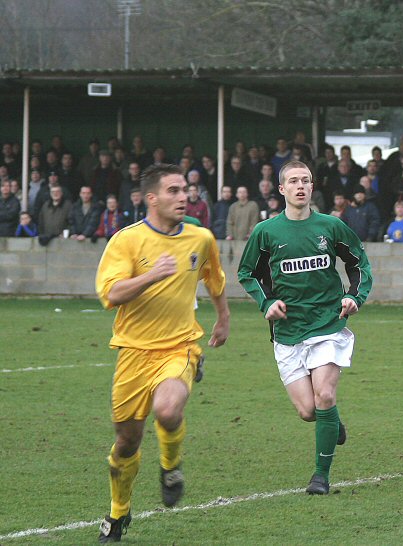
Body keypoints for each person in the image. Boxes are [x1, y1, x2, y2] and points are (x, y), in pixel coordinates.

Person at [94, 163, 230, 543]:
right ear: (151, 198)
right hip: (134, 353)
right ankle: (118, 514)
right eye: (173, 190)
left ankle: (171, 465)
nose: (183, 196)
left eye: (184, 189)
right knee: (126, 442)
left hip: (180, 345)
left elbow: (214, 279)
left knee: (168, 410)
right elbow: (110, 294)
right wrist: (151, 275)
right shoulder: (126, 241)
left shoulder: (201, 238)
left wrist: (223, 319)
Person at [237, 160, 372, 496]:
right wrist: (267, 303)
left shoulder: (332, 226)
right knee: (308, 410)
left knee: (325, 395)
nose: (300, 186)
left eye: (306, 181)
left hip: (328, 324)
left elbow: (359, 263)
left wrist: (355, 296)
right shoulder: (266, 232)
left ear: (313, 188)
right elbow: (247, 273)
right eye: (293, 181)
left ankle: (320, 477)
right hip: (288, 332)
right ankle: (333, 422)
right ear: (280, 189)